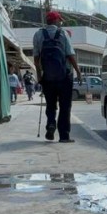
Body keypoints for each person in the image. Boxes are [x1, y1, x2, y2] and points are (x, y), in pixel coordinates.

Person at [33, 11, 82, 142]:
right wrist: (78, 71)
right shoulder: (63, 33)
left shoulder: (38, 34)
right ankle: (64, 136)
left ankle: (51, 124)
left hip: (47, 77)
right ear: (55, 21)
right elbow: (70, 55)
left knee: (50, 105)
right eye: (59, 20)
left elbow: (36, 58)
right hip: (64, 77)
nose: (60, 22)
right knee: (65, 106)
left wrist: (39, 76)